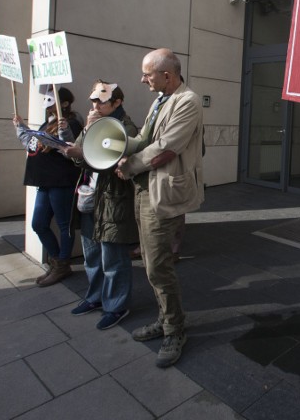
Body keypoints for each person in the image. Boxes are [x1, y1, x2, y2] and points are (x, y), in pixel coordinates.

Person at [116, 48, 205, 368]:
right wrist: (114, 146)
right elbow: (144, 139)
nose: (142, 79)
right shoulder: (159, 101)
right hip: (145, 189)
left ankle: (174, 330)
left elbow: (166, 149)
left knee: (157, 266)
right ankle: (165, 320)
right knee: (152, 262)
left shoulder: (188, 101)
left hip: (163, 194)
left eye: (147, 74)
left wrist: (129, 167)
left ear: (167, 75)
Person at [61, 81, 139, 330]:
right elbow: (81, 155)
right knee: (92, 254)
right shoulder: (92, 123)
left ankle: (116, 305)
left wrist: (81, 152)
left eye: (102, 101)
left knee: (112, 257)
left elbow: (104, 158)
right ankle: (95, 297)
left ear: (117, 103)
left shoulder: (124, 127)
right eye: (93, 100)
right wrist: (82, 138)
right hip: (90, 197)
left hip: (112, 200)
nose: (96, 105)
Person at [13, 86, 83, 287]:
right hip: (45, 181)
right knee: (38, 223)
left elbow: (71, 148)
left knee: (64, 224)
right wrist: (21, 127)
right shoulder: (48, 122)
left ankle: (62, 264)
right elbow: (33, 143)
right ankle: (56, 260)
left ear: (64, 103)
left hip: (61, 181)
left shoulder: (71, 123)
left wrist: (64, 132)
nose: (46, 101)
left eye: (51, 98)